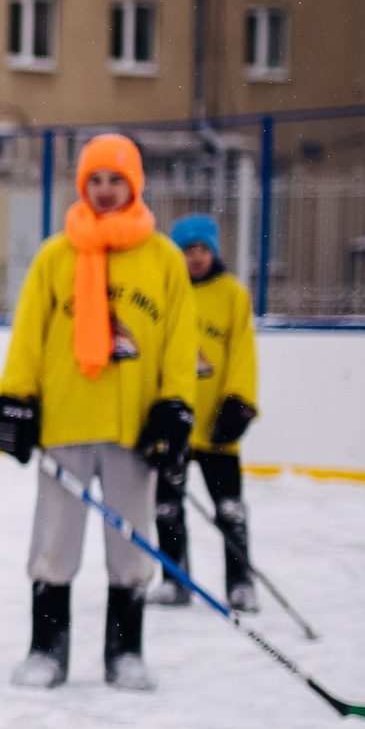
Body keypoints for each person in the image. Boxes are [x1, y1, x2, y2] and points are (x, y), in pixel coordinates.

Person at [0, 134, 197, 691]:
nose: (106, 191)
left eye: (116, 180)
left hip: (134, 430)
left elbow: (180, 343)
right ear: (83, 186)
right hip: (65, 422)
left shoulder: (163, 260)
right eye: (96, 181)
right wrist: (15, 398)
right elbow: (29, 335)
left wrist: (176, 406)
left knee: (131, 543)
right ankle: (47, 650)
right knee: (54, 542)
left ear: (135, 184)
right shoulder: (56, 256)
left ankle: (125, 652)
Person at [152, 214, 260, 611]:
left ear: (214, 251)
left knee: (229, 508)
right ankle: (175, 579)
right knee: (166, 506)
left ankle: (240, 581)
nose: (196, 257)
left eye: (203, 249)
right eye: (187, 250)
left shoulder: (232, 294)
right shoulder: (168, 293)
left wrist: (239, 401)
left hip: (217, 425)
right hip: (175, 427)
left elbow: (242, 353)